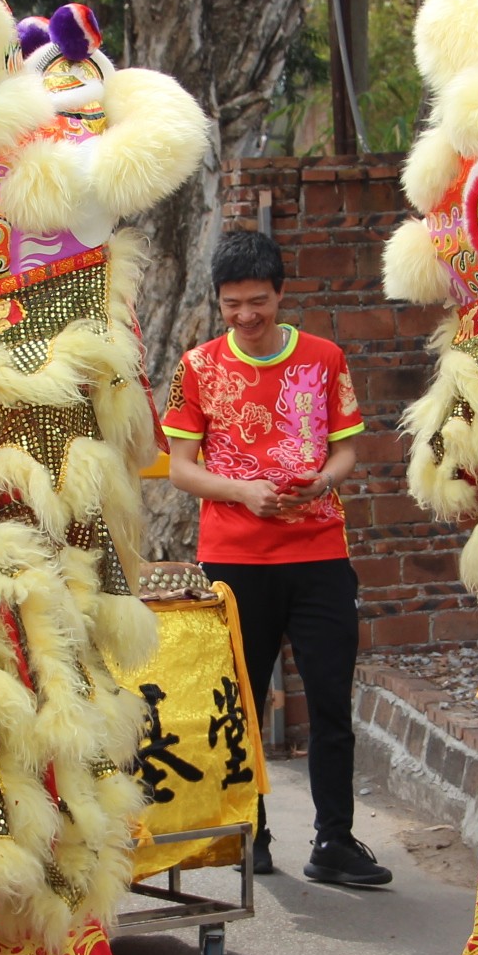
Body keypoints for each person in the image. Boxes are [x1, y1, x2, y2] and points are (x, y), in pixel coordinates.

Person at [162, 230, 389, 888]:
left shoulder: (324, 358)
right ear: (219, 303)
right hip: (234, 557)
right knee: (242, 699)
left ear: (282, 293)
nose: (246, 316)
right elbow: (180, 469)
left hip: (319, 552)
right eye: (232, 305)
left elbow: (347, 449)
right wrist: (240, 491)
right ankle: (251, 833)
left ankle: (335, 841)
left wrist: (324, 480)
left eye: (257, 301)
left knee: (330, 700)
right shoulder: (198, 366)